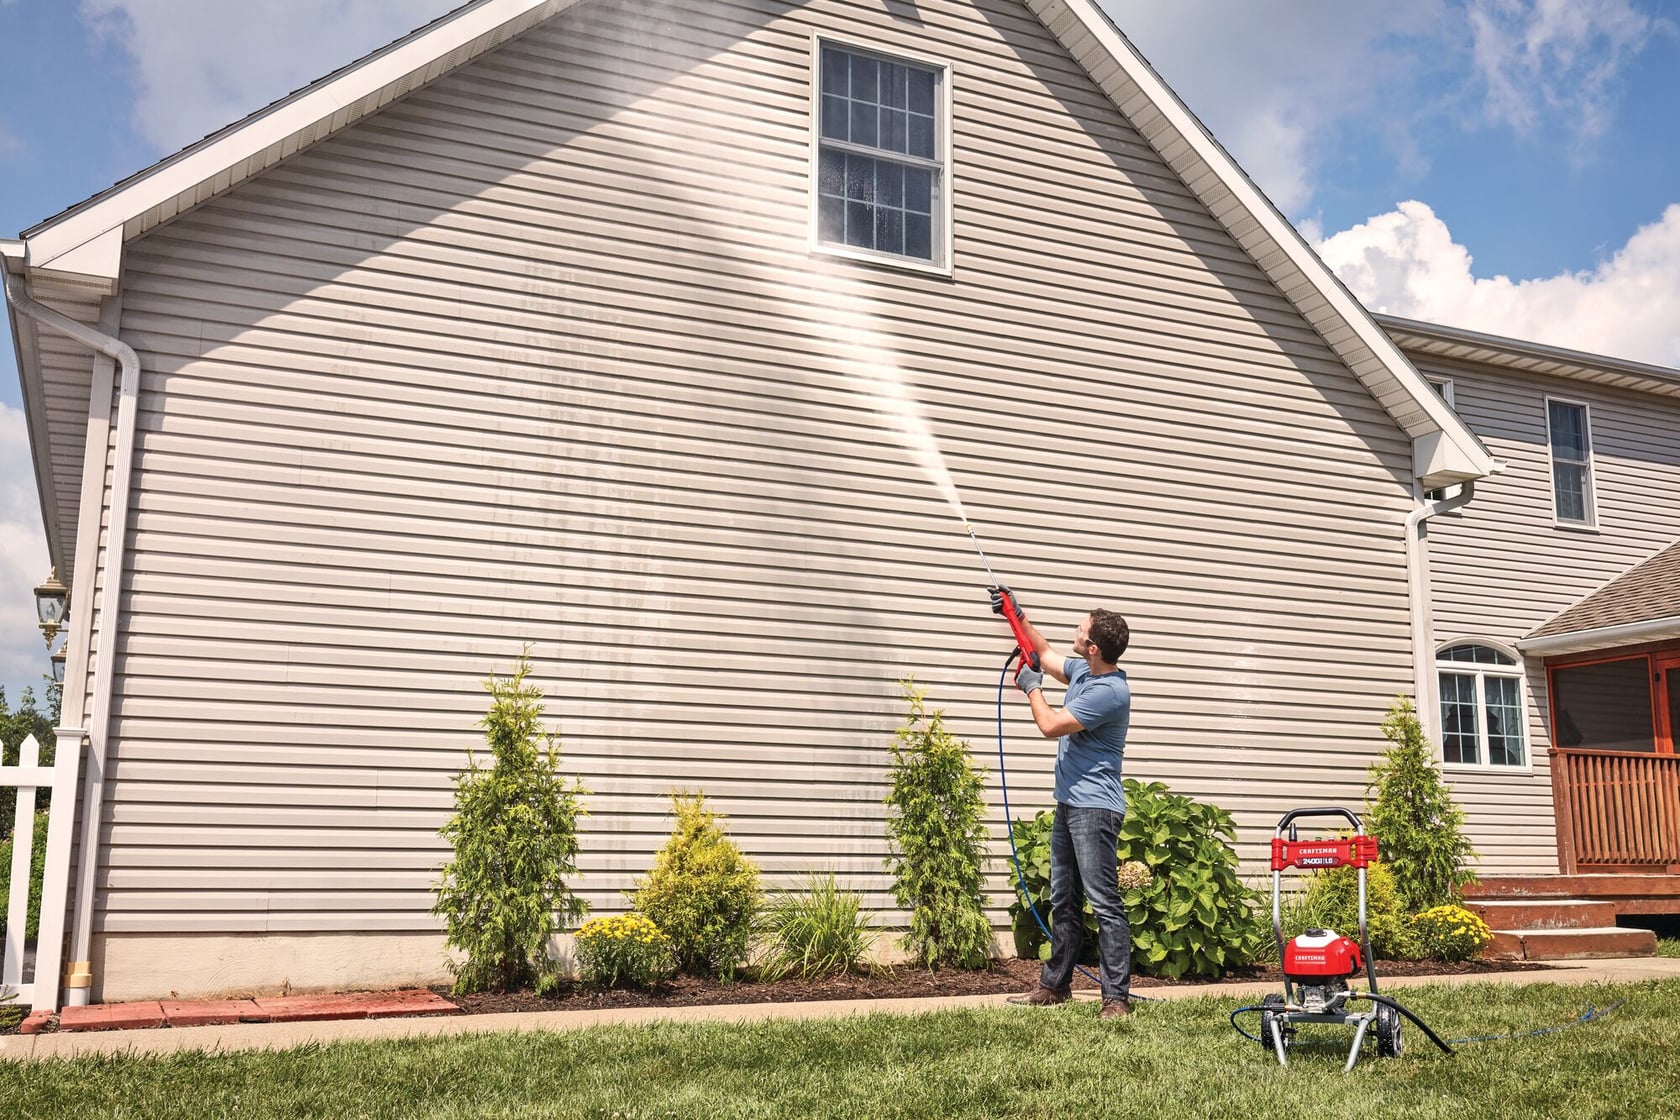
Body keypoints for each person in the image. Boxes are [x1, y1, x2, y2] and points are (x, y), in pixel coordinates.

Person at [992, 587, 1134, 1021]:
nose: (1075, 628)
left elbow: (1051, 724)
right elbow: (1046, 651)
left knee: (1103, 900)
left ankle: (1116, 999)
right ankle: (1055, 986)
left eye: (1082, 628)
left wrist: (1031, 687)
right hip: (1070, 803)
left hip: (1096, 808)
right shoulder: (1086, 671)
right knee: (1064, 899)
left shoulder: (1108, 691)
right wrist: (1015, 615)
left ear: (1093, 647)